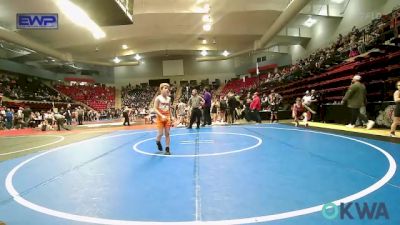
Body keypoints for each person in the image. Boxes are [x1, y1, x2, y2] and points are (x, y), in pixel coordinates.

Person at [154, 83, 173, 155]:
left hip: (167, 117)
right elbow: (155, 108)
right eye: (165, 88)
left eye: (168, 88)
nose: (167, 89)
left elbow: (169, 108)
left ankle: (167, 148)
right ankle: (158, 141)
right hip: (160, 117)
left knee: (167, 133)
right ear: (161, 89)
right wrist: (161, 115)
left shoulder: (169, 98)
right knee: (160, 134)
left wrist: (171, 117)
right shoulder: (158, 98)